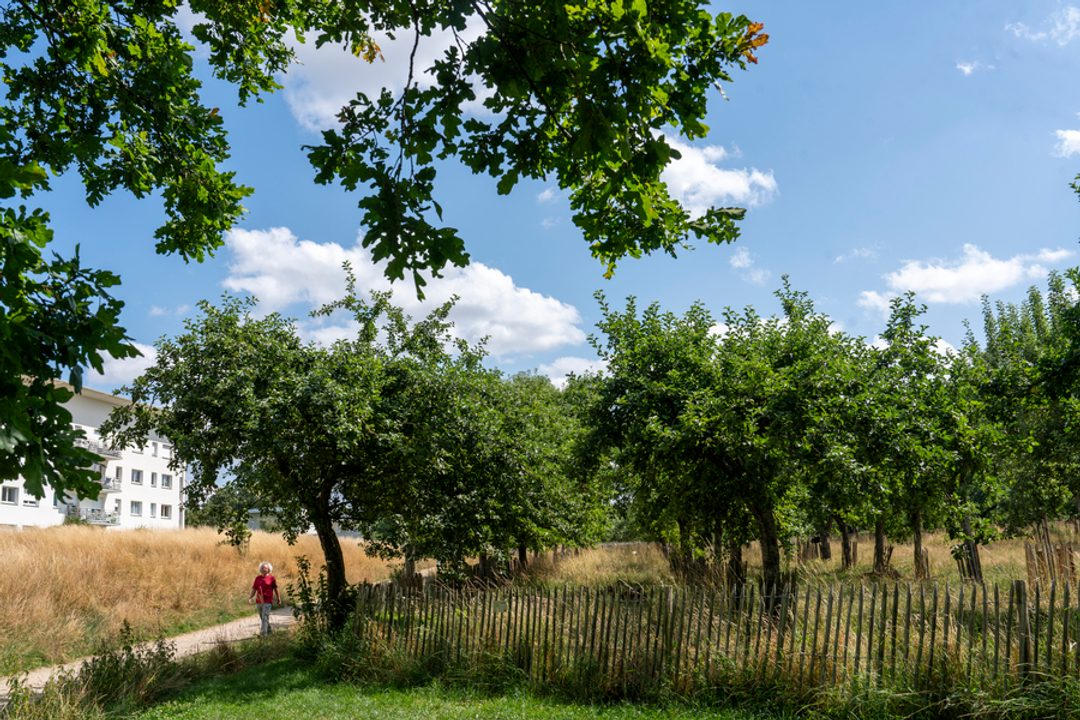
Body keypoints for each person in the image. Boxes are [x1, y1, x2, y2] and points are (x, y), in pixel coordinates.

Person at [249, 561, 281, 636]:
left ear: (269, 569)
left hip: (267, 601)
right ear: (260, 569)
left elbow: (276, 588)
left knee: (264, 617)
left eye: (265, 568)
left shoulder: (272, 578)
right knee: (263, 617)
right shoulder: (257, 578)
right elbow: (254, 588)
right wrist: (250, 597)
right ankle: (269, 630)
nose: (264, 569)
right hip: (259, 601)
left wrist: (278, 598)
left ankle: (263, 634)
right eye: (262, 568)